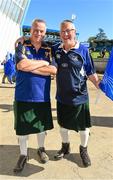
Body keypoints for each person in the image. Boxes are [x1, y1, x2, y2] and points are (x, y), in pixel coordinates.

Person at [52, 20, 100, 167]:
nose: (66, 34)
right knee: (63, 127)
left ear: (74, 31)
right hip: (62, 97)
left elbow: (90, 72)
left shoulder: (83, 50)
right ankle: (65, 148)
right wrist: (21, 39)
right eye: (63, 31)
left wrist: (99, 84)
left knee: (84, 129)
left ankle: (83, 150)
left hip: (80, 97)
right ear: (59, 34)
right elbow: (36, 40)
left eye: (69, 30)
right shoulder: (55, 49)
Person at [13, 19, 57, 173]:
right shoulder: (22, 45)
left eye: (41, 31)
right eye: (35, 30)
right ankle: (23, 154)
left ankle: (41, 149)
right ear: (30, 30)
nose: (38, 33)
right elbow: (21, 65)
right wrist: (43, 63)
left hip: (42, 96)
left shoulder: (50, 48)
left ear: (45, 33)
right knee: (23, 130)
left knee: (41, 128)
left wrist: (32, 66)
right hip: (23, 95)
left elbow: (54, 70)